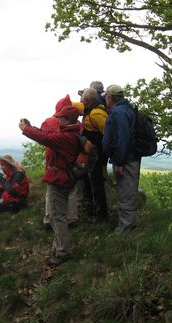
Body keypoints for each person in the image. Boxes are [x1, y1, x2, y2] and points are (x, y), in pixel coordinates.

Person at [19, 99, 80, 267]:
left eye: (60, 118)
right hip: (65, 178)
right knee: (57, 214)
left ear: (67, 120)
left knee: (57, 216)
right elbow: (49, 137)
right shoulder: (73, 132)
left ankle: (62, 252)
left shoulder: (67, 137)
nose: (57, 120)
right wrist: (32, 128)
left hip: (59, 179)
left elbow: (47, 139)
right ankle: (58, 246)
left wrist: (26, 130)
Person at [102, 84, 141, 235]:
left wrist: (119, 162)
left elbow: (123, 139)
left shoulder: (119, 112)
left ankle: (125, 229)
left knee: (126, 193)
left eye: (106, 97)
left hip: (126, 160)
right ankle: (129, 225)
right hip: (128, 158)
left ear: (110, 97)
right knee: (127, 191)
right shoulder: (125, 110)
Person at [41, 95, 84, 229]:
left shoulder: (49, 121)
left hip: (53, 161)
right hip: (71, 162)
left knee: (51, 192)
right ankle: (72, 218)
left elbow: (44, 135)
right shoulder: (77, 124)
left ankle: (48, 218)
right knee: (71, 192)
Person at [80, 87, 109, 223]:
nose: (80, 101)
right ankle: (94, 210)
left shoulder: (96, 114)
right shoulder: (91, 111)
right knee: (93, 182)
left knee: (97, 184)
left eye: (82, 99)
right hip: (93, 154)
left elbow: (108, 134)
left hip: (97, 155)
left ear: (86, 100)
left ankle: (102, 215)